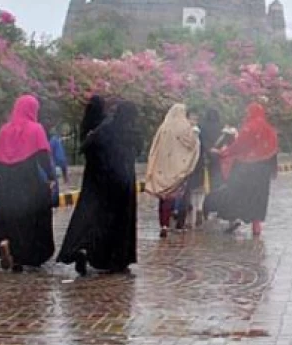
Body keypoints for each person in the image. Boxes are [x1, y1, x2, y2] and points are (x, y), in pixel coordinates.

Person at [58, 98, 140, 276]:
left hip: (99, 181)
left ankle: (86, 251)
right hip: (122, 183)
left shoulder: (104, 129)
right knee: (118, 224)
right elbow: (136, 153)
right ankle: (114, 260)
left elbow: (86, 147)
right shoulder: (131, 132)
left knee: (96, 220)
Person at [0, 95, 58, 272]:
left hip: (6, 182)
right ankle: (25, 256)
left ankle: (5, 242)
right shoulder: (36, 129)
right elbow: (43, 157)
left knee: (9, 216)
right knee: (32, 217)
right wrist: (50, 178)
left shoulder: (4, 129)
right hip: (29, 181)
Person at [206, 102, 279, 237]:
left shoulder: (249, 127)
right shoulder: (270, 130)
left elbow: (239, 146)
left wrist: (224, 153)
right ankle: (256, 228)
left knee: (237, 193)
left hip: (246, 168)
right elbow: (273, 150)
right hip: (264, 171)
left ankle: (234, 219)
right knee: (259, 198)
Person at [144, 104, 201, 237]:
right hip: (179, 168)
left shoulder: (163, 128)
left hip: (163, 167)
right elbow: (192, 145)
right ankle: (179, 224)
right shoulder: (186, 128)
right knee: (179, 196)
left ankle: (163, 224)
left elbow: (155, 147)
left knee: (163, 197)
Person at [46, 123, 69, 206]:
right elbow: (62, 159)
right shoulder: (56, 140)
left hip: (54, 166)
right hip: (58, 166)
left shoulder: (53, 141)